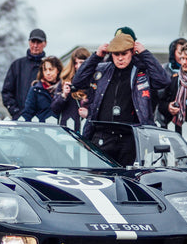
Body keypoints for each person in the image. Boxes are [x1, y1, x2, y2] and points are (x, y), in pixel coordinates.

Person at [72, 27, 169, 165]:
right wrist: (96, 56)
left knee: (127, 182)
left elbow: (163, 81)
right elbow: (78, 81)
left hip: (130, 137)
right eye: (116, 54)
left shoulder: (142, 72)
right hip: (102, 135)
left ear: (132, 52)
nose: (120, 58)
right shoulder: (102, 69)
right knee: (100, 179)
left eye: (124, 53)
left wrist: (144, 53)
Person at [1, 28, 47, 119]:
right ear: (29, 42)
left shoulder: (49, 67)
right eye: (33, 42)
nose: (35, 45)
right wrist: (15, 111)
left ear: (45, 44)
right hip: (20, 118)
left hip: (43, 119)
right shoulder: (17, 65)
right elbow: (7, 92)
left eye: (39, 42)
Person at [51, 47, 90, 129]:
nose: (78, 66)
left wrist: (88, 113)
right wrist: (64, 95)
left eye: (82, 62)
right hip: (67, 129)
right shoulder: (65, 81)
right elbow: (54, 109)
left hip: (87, 129)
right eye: (76, 63)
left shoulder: (94, 81)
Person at [21, 56, 63, 122]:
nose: (48, 73)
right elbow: (28, 112)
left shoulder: (64, 89)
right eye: (45, 70)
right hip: (41, 128)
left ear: (58, 70)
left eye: (51, 69)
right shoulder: (35, 90)